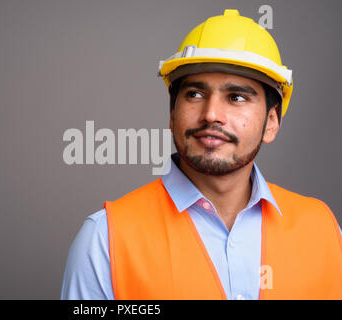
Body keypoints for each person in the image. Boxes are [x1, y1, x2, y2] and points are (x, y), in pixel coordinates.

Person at [61, 9, 342, 300]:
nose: (211, 115)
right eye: (195, 94)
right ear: (172, 114)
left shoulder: (323, 230)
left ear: (271, 122)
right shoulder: (105, 239)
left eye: (236, 98)